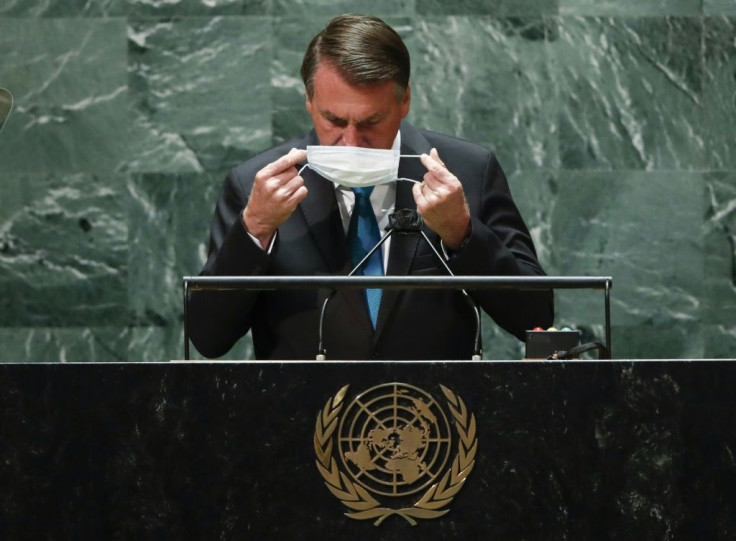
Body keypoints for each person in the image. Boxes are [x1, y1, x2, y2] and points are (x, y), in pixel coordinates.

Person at [188, 14, 553, 360]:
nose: (351, 142)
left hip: (436, 417)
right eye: (334, 120)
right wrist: (255, 229)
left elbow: (535, 318)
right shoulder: (256, 184)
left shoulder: (468, 171)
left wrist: (463, 233)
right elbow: (209, 339)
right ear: (309, 101)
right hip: (303, 416)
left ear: (404, 101)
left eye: (371, 122)